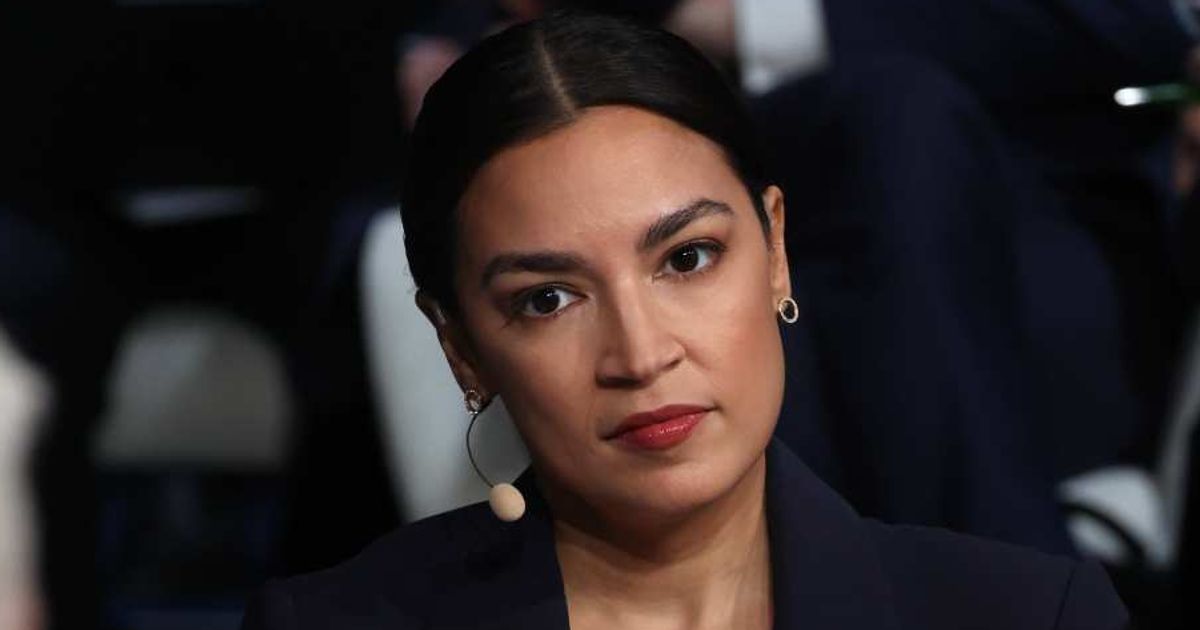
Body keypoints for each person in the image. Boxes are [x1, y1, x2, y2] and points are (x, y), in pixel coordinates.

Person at [242, 12, 1128, 629]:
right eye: (547, 299)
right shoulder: (327, 622)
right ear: (462, 348)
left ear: (776, 249)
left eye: (687, 258)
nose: (642, 353)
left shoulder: (1031, 613)